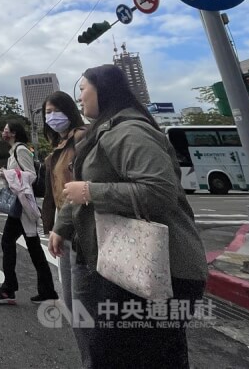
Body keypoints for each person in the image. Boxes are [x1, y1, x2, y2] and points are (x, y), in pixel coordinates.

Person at [49, 65, 207, 367]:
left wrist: (94, 192)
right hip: (128, 266)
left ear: (103, 89)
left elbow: (160, 192)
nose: (80, 97)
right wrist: (62, 226)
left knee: (124, 354)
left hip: (160, 269)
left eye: (83, 88)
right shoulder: (104, 131)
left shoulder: (129, 130)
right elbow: (79, 190)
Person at [38, 91, 88, 363]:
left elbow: (81, 186)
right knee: (71, 303)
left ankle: (95, 359)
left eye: (56, 110)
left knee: (81, 305)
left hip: (81, 229)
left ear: (70, 110)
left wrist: (60, 225)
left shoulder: (82, 139)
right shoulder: (59, 145)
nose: (51, 116)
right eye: (47, 113)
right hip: (65, 229)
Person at [0, 121, 57, 305]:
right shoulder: (15, 151)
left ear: (13, 133)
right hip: (21, 206)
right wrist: (8, 174)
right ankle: (47, 291)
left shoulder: (21, 150)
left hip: (22, 207)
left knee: (8, 242)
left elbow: (30, 175)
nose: (3, 131)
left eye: (5, 129)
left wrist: (7, 174)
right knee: (33, 249)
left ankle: (8, 288)